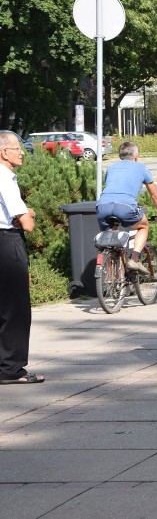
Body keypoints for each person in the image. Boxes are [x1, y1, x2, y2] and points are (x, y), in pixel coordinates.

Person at [0, 131, 44, 385]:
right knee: (16, 308)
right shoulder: (6, 178)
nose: (22, 152)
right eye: (17, 148)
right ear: (4, 152)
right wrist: (29, 212)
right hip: (8, 241)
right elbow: (26, 224)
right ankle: (11, 368)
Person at [96, 141, 157, 274]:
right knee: (143, 226)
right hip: (125, 206)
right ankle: (134, 259)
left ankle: (112, 278)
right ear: (136, 156)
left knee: (110, 241)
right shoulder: (141, 168)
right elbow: (155, 195)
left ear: (120, 155)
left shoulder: (111, 168)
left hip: (102, 206)